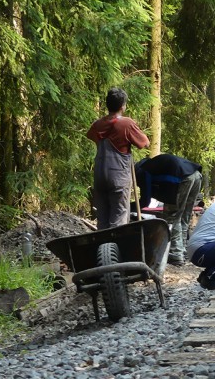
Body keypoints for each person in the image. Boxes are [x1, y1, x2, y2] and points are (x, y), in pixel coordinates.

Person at [87, 87, 150, 230]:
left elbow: (90, 135)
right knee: (119, 218)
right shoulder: (126, 123)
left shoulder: (98, 124)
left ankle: (102, 250)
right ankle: (115, 250)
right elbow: (145, 143)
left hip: (99, 176)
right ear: (123, 106)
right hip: (118, 175)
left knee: (102, 219)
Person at [135, 153, 203, 266]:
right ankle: (184, 251)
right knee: (184, 217)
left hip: (184, 179)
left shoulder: (143, 171)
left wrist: (129, 206)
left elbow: (145, 200)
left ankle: (176, 255)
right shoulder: (154, 165)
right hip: (196, 175)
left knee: (172, 217)